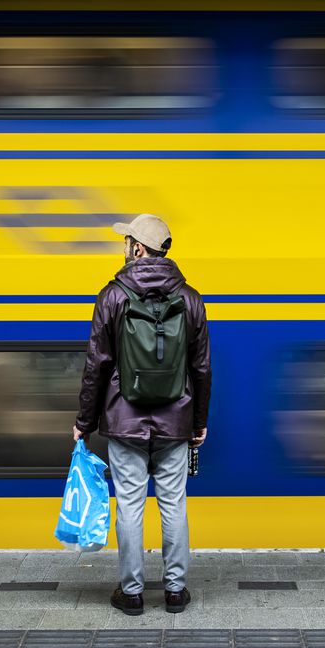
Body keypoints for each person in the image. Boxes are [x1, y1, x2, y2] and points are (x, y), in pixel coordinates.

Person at [73, 214, 211, 616]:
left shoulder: (112, 296)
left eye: (127, 239)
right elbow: (201, 367)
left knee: (130, 505)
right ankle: (174, 591)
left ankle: (131, 592)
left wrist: (84, 421)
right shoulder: (190, 298)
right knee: (174, 505)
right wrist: (198, 421)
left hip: (124, 421)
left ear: (137, 248)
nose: (124, 246)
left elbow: (96, 364)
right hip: (176, 420)